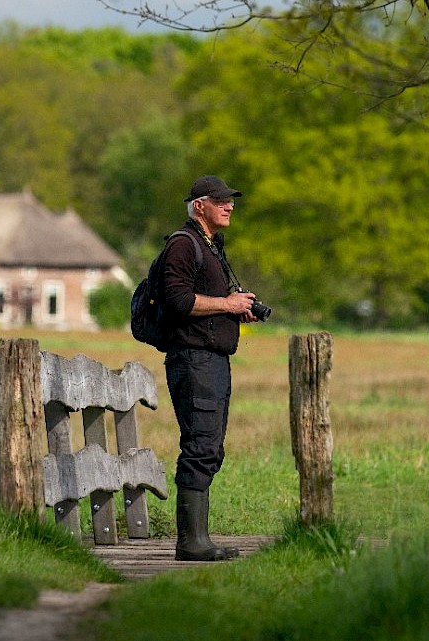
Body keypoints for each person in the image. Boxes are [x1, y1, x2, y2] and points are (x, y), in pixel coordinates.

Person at [161, 175, 257, 561]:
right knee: (200, 446)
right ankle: (191, 543)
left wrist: (239, 308)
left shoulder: (211, 246)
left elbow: (204, 301)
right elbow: (177, 300)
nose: (229, 205)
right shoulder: (183, 246)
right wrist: (227, 305)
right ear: (199, 205)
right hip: (193, 359)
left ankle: (198, 539)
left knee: (211, 447)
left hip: (212, 360)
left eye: (230, 199)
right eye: (220, 200)